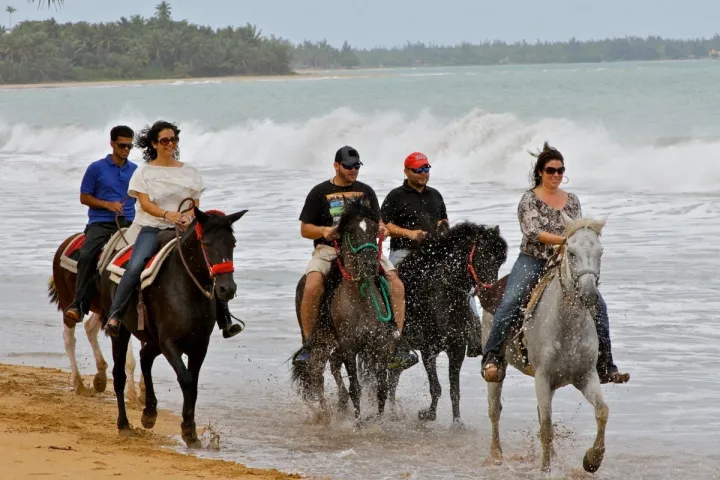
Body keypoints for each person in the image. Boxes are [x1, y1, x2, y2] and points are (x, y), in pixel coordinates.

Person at [481, 142, 630, 384]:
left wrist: (581, 242)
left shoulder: (571, 200)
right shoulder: (529, 199)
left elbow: (578, 230)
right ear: (540, 171)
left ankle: (606, 364)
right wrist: (565, 241)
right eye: (551, 170)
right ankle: (493, 356)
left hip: (563, 262)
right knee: (510, 300)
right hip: (533, 259)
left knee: (598, 305)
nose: (556, 175)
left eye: (560, 170)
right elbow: (532, 232)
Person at [104, 120, 243, 339]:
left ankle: (225, 319)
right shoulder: (144, 172)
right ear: (154, 144)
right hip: (153, 228)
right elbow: (146, 204)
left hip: (185, 229)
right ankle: (115, 315)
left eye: (174, 139)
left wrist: (188, 218)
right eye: (165, 140)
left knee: (211, 265)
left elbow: (194, 204)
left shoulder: (190, 172)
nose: (171, 144)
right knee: (135, 266)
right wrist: (168, 215)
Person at [294, 145, 418, 370]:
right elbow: (305, 230)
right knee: (311, 286)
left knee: (397, 285)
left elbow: (377, 221)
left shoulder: (366, 191)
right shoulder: (319, 192)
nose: (354, 170)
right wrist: (324, 232)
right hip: (328, 249)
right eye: (349, 166)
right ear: (336, 166)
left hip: (365, 249)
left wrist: (380, 228)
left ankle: (397, 343)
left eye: (357, 166)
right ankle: (310, 344)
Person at [63, 125, 137, 328]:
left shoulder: (135, 170)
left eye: (130, 146)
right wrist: (108, 204)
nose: (126, 150)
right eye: (122, 145)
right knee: (87, 255)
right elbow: (84, 197)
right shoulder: (96, 168)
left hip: (130, 223)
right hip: (101, 222)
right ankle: (79, 304)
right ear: (112, 143)